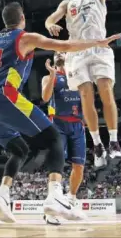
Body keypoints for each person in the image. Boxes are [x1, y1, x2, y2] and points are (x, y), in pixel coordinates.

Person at [0, 2, 121, 223]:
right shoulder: (24, 37)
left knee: (19, 149)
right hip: (4, 95)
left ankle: (2, 196)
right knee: (53, 138)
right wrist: (97, 42)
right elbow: (63, 45)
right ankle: (54, 196)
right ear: (22, 18)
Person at [44, 0, 121, 170]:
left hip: (100, 48)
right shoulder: (68, 3)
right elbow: (52, 17)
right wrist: (50, 24)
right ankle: (97, 145)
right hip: (77, 52)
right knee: (86, 96)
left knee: (106, 91)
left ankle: (113, 142)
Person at [41, 52, 85, 226]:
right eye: (57, 52)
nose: (59, 54)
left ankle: (71, 199)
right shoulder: (49, 77)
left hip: (77, 125)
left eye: (63, 52)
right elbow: (45, 98)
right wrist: (52, 75)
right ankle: (52, 207)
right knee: (57, 165)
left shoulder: (78, 77)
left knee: (79, 166)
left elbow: (87, 100)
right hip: (58, 124)